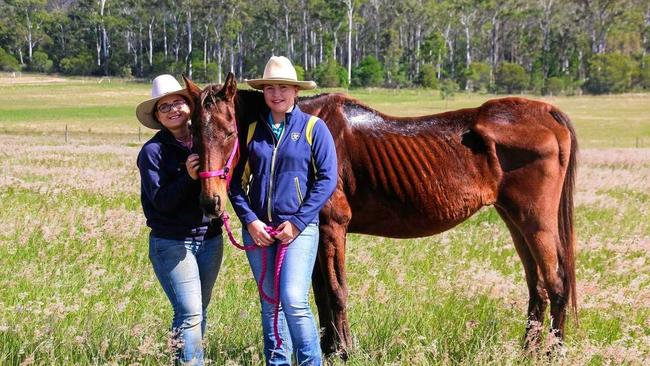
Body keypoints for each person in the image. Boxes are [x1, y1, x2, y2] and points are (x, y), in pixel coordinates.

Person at [229, 56, 338, 365]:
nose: (277, 94)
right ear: (263, 92)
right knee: (270, 303)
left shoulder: (314, 128)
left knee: (293, 300)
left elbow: (327, 178)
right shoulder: (251, 131)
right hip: (258, 230)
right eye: (270, 88)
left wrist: (298, 222)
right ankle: (277, 362)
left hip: (298, 230)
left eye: (284, 88)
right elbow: (235, 184)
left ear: (295, 91)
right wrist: (250, 221)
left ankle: (309, 362)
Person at [136, 74, 223, 365]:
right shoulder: (153, 152)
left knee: (200, 311)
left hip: (210, 239)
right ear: (158, 117)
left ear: (189, 106)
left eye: (178, 103)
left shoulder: (205, 141)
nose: (173, 110)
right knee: (189, 313)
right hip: (173, 242)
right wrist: (187, 177)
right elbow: (161, 203)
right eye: (164, 107)